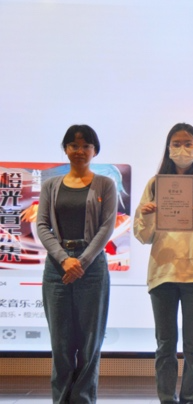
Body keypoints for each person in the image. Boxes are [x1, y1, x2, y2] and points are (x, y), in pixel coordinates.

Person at [134, 123, 193, 404]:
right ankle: (166, 398)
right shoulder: (156, 183)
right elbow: (142, 236)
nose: (182, 149)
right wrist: (147, 215)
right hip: (163, 271)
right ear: (168, 148)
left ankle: (191, 398)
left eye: (188, 144)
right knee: (165, 344)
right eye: (176, 143)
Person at [37, 124, 117, 403]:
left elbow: (106, 227)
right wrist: (64, 259)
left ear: (95, 150)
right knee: (60, 343)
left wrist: (80, 262)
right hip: (56, 268)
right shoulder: (50, 186)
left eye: (86, 146)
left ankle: (82, 399)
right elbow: (42, 226)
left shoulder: (105, 184)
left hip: (91, 268)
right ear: (65, 149)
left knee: (89, 342)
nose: (79, 151)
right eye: (73, 145)